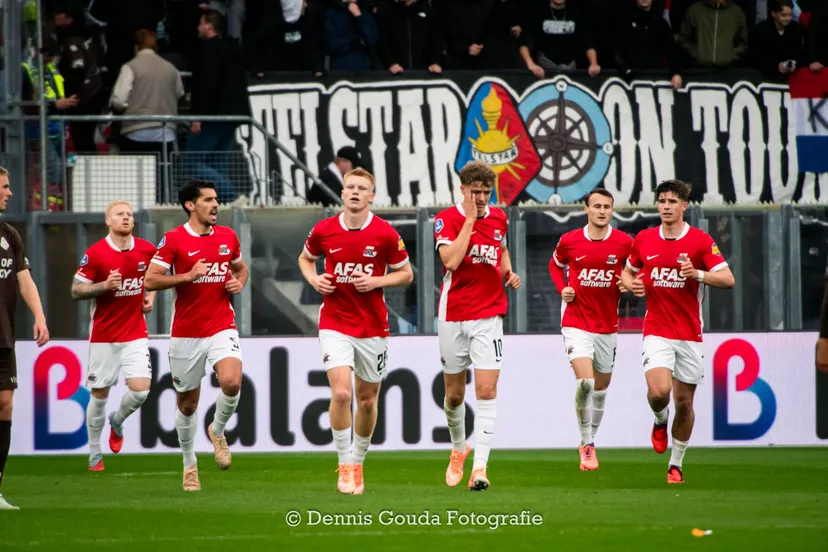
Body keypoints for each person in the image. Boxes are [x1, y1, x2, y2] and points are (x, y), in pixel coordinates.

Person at [298, 168, 413, 495]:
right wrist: (314, 279)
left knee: (366, 401)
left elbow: (405, 274)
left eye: (362, 188)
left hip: (372, 326)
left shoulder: (385, 234)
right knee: (342, 393)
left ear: (371, 196)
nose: (354, 192)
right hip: (335, 322)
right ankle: (344, 463)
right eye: (350, 187)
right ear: (343, 192)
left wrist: (378, 281)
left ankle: (359, 462)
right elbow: (305, 259)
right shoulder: (324, 230)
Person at [621, 179, 735, 484]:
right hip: (657, 330)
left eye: (673, 202)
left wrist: (696, 273)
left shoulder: (699, 241)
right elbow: (628, 272)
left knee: (684, 404)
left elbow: (728, 279)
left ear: (684, 205)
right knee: (659, 393)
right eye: (662, 201)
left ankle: (676, 463)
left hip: (689, 334)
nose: (666, 207)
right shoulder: (644, 239)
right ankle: (659, 420)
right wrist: (630, 284)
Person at [145, 180, 248, 491]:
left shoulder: (228, 236)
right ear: (190, 205)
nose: (215, 205)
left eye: (217, 199)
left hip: (221, 325)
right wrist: (188, 276)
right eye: (208, 200)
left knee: (232, 381)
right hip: (187, 333)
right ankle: (189, 464)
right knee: (187, 404)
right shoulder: (174, 240)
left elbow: (241, 269)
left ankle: (217, 430)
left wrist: (238, 282)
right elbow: (150, 280)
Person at [434, 160, 521, 492]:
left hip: (489, 316)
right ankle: (459, 448)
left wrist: (507, 272)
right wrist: (470, 220)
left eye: (486, 192)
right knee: (454, 396)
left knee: (486, 392)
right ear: (463, 190)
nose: (482, 198)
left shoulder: (499, 217)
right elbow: (451, 261)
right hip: (453, 313)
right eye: (476, 192)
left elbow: (500, 249)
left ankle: (480, 469)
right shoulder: (447, 219)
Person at [548, 188, 633, 471]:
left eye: (607, 207)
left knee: (600, 389)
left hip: (607, 325)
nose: (602, 211)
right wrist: (563, 289)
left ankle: (588, 440)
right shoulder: (570, 240)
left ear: (611, 210)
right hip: (576, 322)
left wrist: (629, 283)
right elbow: (554, 264)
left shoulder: (624, 244)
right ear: (586, 209)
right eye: (596, 206)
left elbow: (638, 271)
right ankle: (587, 444)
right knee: (585, 382)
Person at [72, 200, 158, 471]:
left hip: (134, 332)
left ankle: (118, 420)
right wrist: (104, 285)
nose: (126, 218)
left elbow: (157, 276)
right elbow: (76, 290)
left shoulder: (146, 249)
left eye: (130, 214)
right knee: (99, 394)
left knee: (141, 390)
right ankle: (95, 453)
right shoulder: (96, 254)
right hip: (104, 335)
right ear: (108, 221)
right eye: (120, 214)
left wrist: (150, 296)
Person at [0, 166, 50, 511]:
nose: (10, 192)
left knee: (4, 405)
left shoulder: (9, 234)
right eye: (5, 186)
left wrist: (40, 315)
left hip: (3, 336)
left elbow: (24, 279)